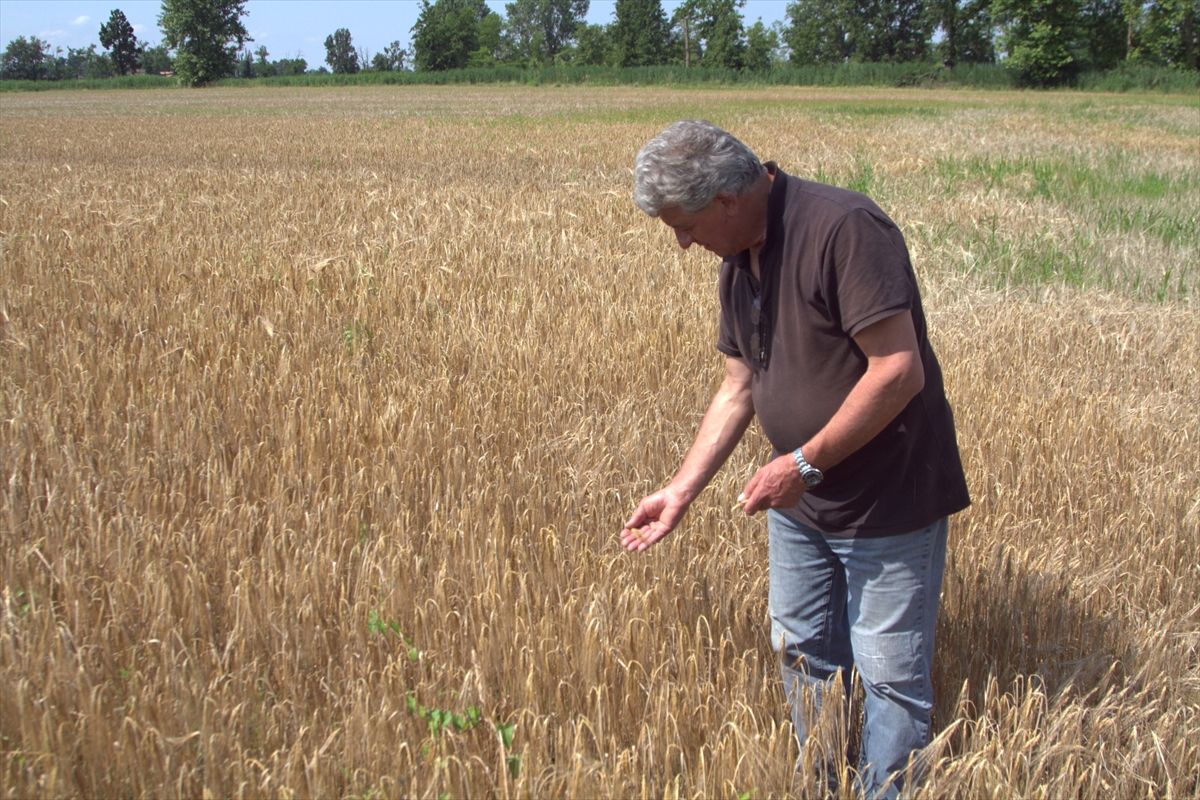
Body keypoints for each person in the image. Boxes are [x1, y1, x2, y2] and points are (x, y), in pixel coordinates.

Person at [619, 120, 970, 798]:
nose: (683, 244)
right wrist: (681, 490)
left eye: (685, 227)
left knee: (890, 679)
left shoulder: (844, 229)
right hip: (800, 506)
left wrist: (802, 463)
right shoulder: (738, 261)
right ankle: (824, 787)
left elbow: (898, 371)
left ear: (726, 200)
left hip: (888, 501)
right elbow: (738, 387)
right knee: (803, 655)